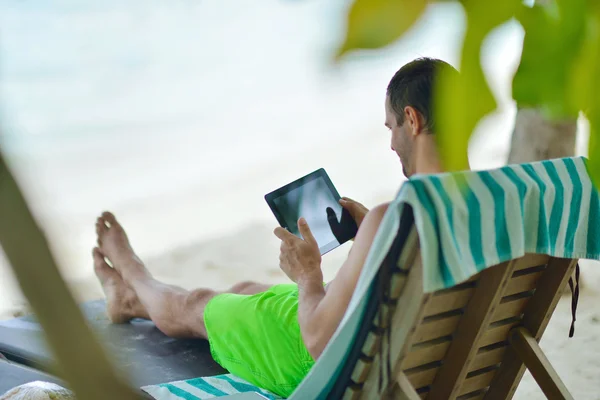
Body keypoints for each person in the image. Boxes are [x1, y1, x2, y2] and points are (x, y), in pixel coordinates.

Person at [92, 57, 458, 397]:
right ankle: (128, 302)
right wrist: (371, 242)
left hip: (324, 365)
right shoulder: (487, 210)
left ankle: (133, 274)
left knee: (196, 303)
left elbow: (318, 341)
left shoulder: (394, 217)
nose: (392, 143)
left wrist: (308, 275)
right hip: (419, 358)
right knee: (244, 289)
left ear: (412, 119)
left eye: (392, 127)